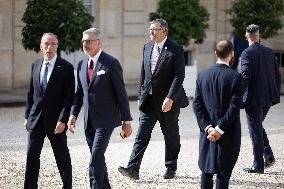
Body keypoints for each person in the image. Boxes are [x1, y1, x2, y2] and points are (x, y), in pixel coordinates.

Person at [118, 18, 189, 180]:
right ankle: (133, 169)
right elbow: (144, 73)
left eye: (154, 29)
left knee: (170, 135)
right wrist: (141, 94)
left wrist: (170, 97)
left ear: (163, 31)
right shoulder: (147, 47)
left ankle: (171, 167)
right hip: (149, 101)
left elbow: (179, 76)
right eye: (150, 29)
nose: (151, 32)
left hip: (168, 103)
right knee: (141, 135)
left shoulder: (175, 48)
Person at [67, 28, 133, 189]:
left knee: (95, 157)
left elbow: (121, 93)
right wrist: (73, 114)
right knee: (98, 157)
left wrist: (127, 121)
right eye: (84, 41)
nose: (85, 44)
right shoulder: (82, 64)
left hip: (106, 120)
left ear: (99, 42)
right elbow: (79, 93)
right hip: (88, 121)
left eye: (89, 41)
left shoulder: (111, 63)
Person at [24, 33, 74, 189]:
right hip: (36, 120)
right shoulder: (36, 65)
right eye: (46, 43)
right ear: (41, 46)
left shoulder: (66, 67)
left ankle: (67, 186)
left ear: (57, 46)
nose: (50, 47)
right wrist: (27, 117)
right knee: (31, 156)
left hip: (56, 122)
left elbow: (69, 98)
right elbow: (31, 93)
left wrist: (63, 120)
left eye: (53, 44)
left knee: (62, 157)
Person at [193, 40, 242, 189]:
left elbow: (197, 105)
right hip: (228, 132)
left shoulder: (202, 75)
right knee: (223, 174)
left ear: (215, 53)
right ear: (232, 54)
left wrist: (208, 128)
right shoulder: (236, 77)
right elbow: (234, 108)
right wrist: (219, 129)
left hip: (207, 133)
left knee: (206, 172)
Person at [241, 24, 281, 173]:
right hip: (268, 97)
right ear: (259, 36)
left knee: (255, 129)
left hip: (254, 98)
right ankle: (268, 154)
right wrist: (275, 95)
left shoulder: (246, 53)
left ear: (246, 36)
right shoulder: (270, 52)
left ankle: (258, 165)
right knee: (257, 125)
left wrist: (238, 96)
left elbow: (245, 77)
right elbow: (277, 75)